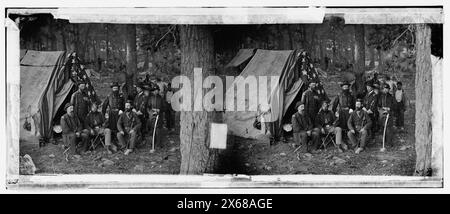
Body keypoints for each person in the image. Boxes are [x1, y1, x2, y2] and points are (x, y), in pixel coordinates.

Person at [331, 81, 355, 149]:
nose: (345, 88)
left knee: (349, 125)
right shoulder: (339, 95)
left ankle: (349, 138)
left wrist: (352, 109)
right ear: (342, 87)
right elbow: (335, 105)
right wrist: (334, 112)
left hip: (349, 112)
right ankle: (342, 140)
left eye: (347, 87)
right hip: (341, 112)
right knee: (342, 125)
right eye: (344, 87)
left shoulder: (351, 95)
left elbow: (353, 104)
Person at [378, 83, 395, 147]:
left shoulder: (391, 97)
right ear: (383, 89)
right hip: (382, 114)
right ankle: (383, 141)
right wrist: (381, 109)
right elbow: (379, 104)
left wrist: (389, 108)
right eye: (385, 89)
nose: (386, 90)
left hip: (389, 114)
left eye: (387, 89)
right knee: (382, 127)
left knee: (388, 128)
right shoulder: (380, 96)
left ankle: (389, 143)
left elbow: (393, 105)